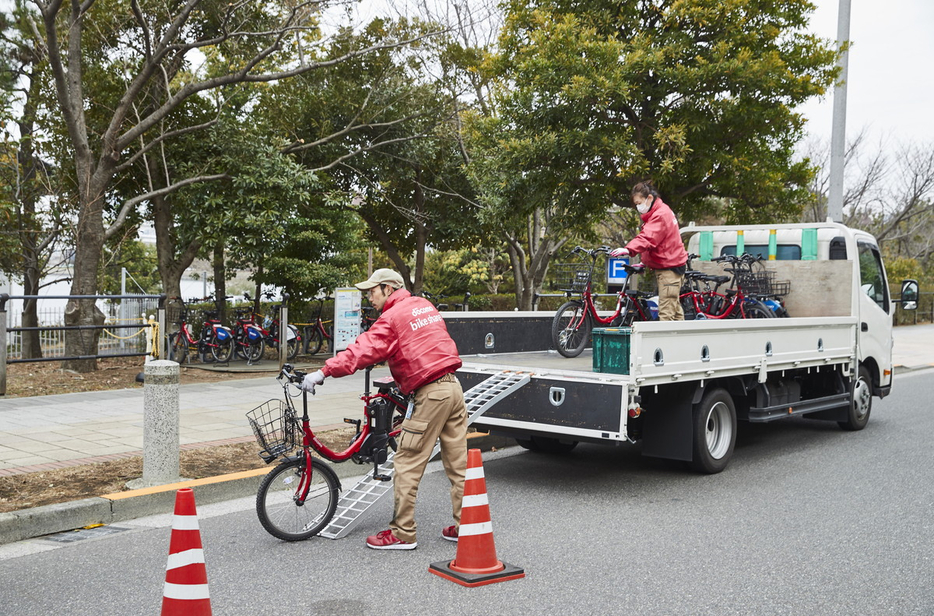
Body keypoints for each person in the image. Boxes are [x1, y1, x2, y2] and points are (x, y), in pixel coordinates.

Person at [301, 269, 467, 550]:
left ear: (389, 288)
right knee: (458, 465)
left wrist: (323, 372)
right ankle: (467, 526)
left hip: (430, 394)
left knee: (406, 464)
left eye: (372, 291)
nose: (369, 297)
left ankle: (402, 534)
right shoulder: (424, 306)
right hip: (453, 389)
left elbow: (362, 350)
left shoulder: (392, 317)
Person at [610, 181, 689, 321]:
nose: (638, 207)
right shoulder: (660, 211)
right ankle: (681, 341)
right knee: (674, 311)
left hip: (669, 270)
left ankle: (665, 343)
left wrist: (628, 249)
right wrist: (644, 262)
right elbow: (657, 243)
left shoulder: (660, 215)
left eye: (639, 203)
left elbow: (648, 238)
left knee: (666, 314)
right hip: (672, 267)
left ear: (650, 198)